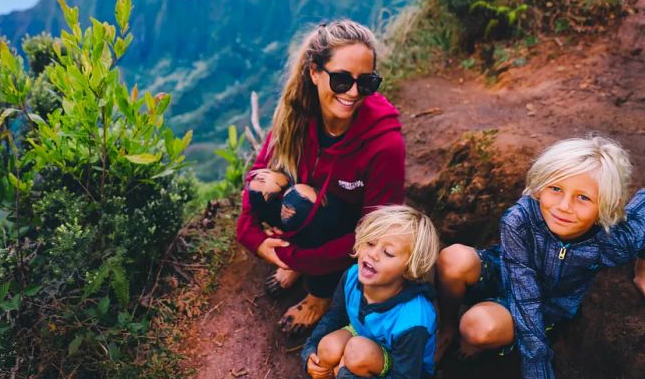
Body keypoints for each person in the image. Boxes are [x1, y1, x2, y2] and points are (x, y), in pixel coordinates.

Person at [235, 20, 405, 335]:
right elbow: (255, 178)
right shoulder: (297, 112)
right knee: (264, 185)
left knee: (300, 202)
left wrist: (297, 258)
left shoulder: (384, 143)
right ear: (315, 72)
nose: (353, 93)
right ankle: (297, 258)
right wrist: (257, 240)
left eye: (365, 82)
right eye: (341, 80)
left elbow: (377, 234)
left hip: (347, 233)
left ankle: (319, 295)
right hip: (308, 213)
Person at [435, 135, 645, 379]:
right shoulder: (520, 220)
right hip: (507, 272)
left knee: (477, 327)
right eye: (555, 188)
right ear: (540, 186)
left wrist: (641, 271)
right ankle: (447, 326)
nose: (564, 206)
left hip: (549, 303)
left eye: (583, 197)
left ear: (608, 205)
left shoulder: (611, 242)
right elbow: (523, 292)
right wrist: (537, 363)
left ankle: (487, 332)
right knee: (453, 258)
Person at [301, 205, 439, 379]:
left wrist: (344, 374)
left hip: (402, 366)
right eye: (370, 243)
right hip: (363, 336)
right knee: (328, 348)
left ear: (409, 268)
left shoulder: (413, 320)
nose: (373, 254)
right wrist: (310, 350)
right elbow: (335, 316)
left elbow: (405, 375)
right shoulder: (352, 276)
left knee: (357, 352)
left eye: (388, 253)